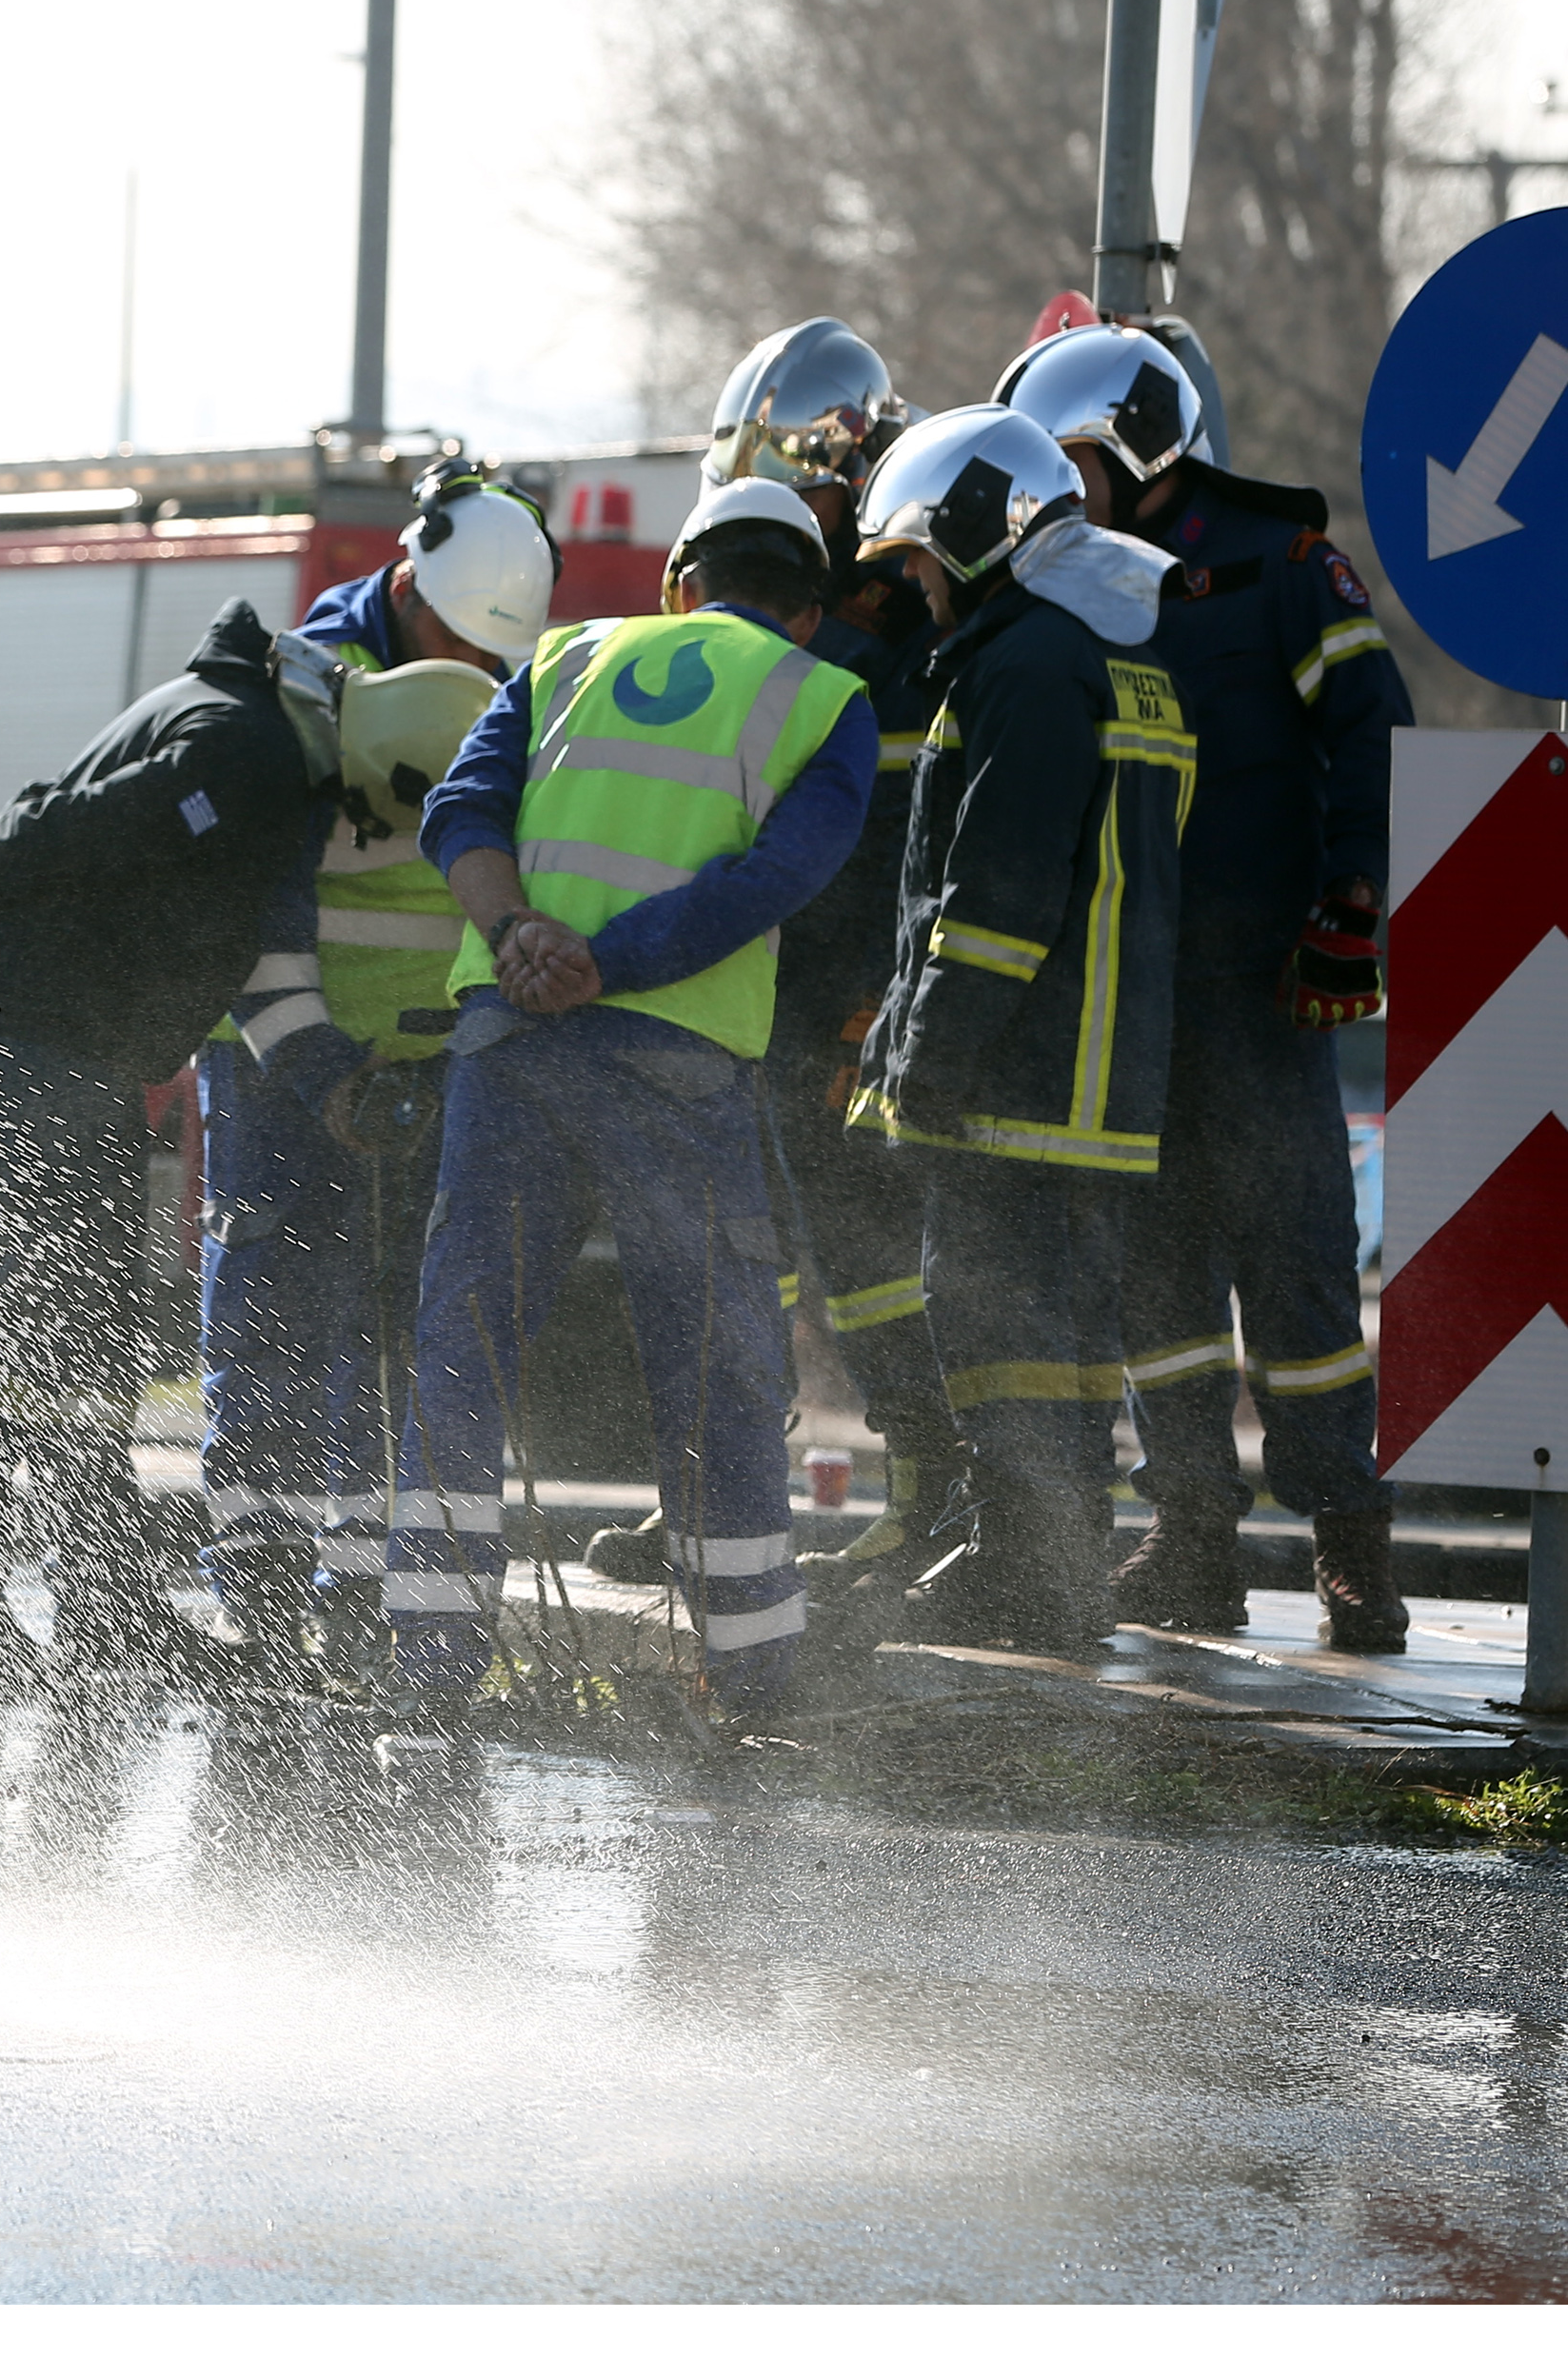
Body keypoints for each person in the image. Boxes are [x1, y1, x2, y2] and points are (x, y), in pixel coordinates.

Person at [388, 478, 877, 1720]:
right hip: (673, 1053)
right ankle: (754, 1674)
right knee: (712, 1360)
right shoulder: (822, 699)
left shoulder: (566, 654)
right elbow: (774, 878)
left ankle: (431, 1660)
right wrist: (611, 962)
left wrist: (518, 938)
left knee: (463, 1341)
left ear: (680, 581)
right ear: (808, 612)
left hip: (507, 1043)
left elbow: (459, 808)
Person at [994, 322, 1414, 1651]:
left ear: (1128, 440)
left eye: (1063, 459)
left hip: (1260, 985)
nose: (1046, 494)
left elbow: (1368, 731)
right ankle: (1188, 1537)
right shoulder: (1051, 580)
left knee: (1295, 1274)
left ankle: (1348, 1542)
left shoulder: (1281, 568)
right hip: (1122, 997)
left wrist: (1353, 899)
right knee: (1150, 1283)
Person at [589, 321, 977, 1596]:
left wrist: (879, 998)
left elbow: (916, 848)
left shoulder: (907, 642)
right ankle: (716, 1506)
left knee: (872, 1268)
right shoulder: (791, 640)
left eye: (804, 489)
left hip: (832, 1006)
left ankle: (929, 1499)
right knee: (722, 1267)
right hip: (726, 999)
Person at [0, 593, 332, 1684]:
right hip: (38, 1044)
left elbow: (75, 813)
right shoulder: (248, 739)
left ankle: (104, 1606)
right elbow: (93, 822)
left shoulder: (207, 709)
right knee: (18, 1327)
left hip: (51, 1042)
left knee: (80, 1341)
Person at [845, 406, 1192, 1658]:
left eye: (920, 560)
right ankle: (1044, 1563)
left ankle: (1030, 1572)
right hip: (1101, 1063)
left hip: (1025, 1069)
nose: (916, 589)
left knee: (993, 1320)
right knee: (1059, 1331)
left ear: (969, 533)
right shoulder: (1114, 647)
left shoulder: (1029, 663)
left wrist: (924, 1064)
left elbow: (991, 894)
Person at [215, 468, 556, 1638]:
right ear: (404, 584)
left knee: (394, 1325)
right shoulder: (303, 692)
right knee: (271, 1300)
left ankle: (358, 1588)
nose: (470, 664)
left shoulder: (520, 686)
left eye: (490, 650)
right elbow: (257, 909)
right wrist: (319, 1064)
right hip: (284, 1040)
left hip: (434, 1052)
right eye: (450, 633)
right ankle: (256, 1587)